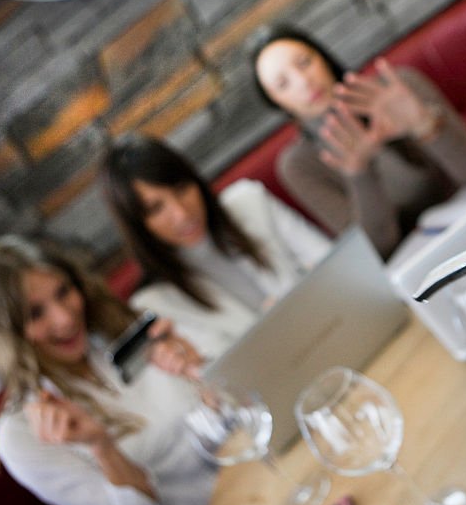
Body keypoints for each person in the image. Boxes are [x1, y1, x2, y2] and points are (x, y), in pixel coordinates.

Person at [0, 236, 210, 505]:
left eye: (63, 292)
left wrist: (199, 372)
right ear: (6, 333)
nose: (65, 317)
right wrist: (103, 448)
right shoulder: (20, 436)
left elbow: (228, 428)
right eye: (35, 314)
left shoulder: (116, 335)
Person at [250, 24, 466, 258]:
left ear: (323, 58)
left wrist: (425, 126)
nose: (303, 81)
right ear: (278, 103)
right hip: (420, 262)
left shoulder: (399, 88)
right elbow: (376, 251)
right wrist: (359, 173)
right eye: (282, 84)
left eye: (304, 62)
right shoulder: (299, 163)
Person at [100, 134, 331, 360]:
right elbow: (227, 374)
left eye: (181, 190)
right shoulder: (155, 303)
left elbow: (335, 262)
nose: (181, 213)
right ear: (138, 226)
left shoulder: (250, 201)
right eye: (157, 209)